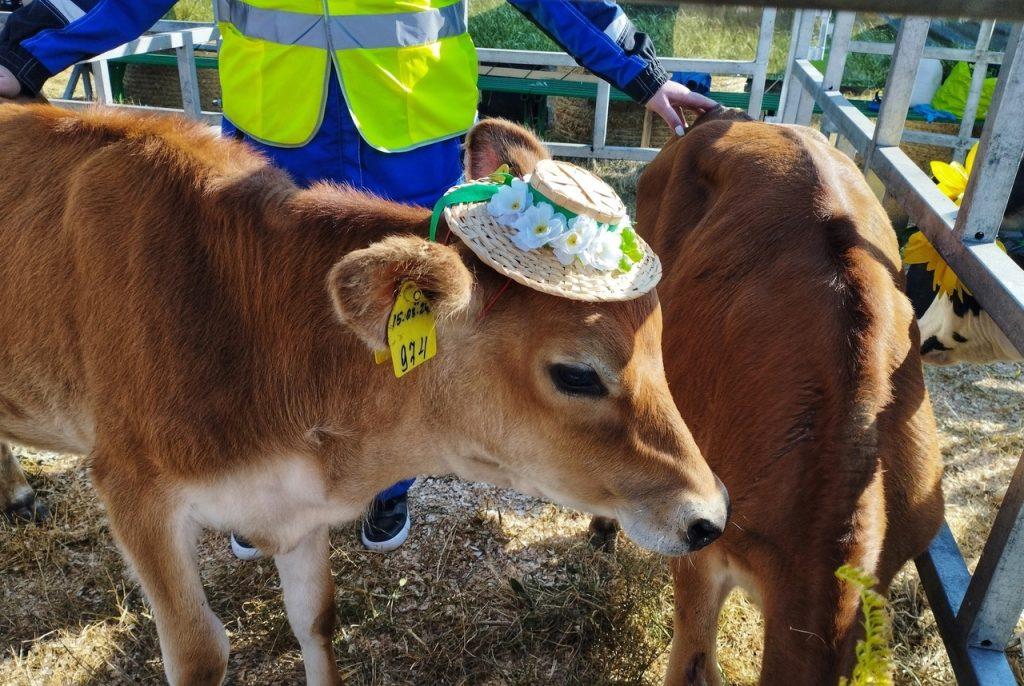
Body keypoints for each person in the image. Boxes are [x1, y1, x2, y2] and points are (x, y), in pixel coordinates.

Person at [0, 0, 717, 555]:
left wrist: (642, 74)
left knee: (419, 327)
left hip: (411, 132)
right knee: (264, 324)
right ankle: (264, 487)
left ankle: (388, 485)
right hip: (275, 138)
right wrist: (19, 54)